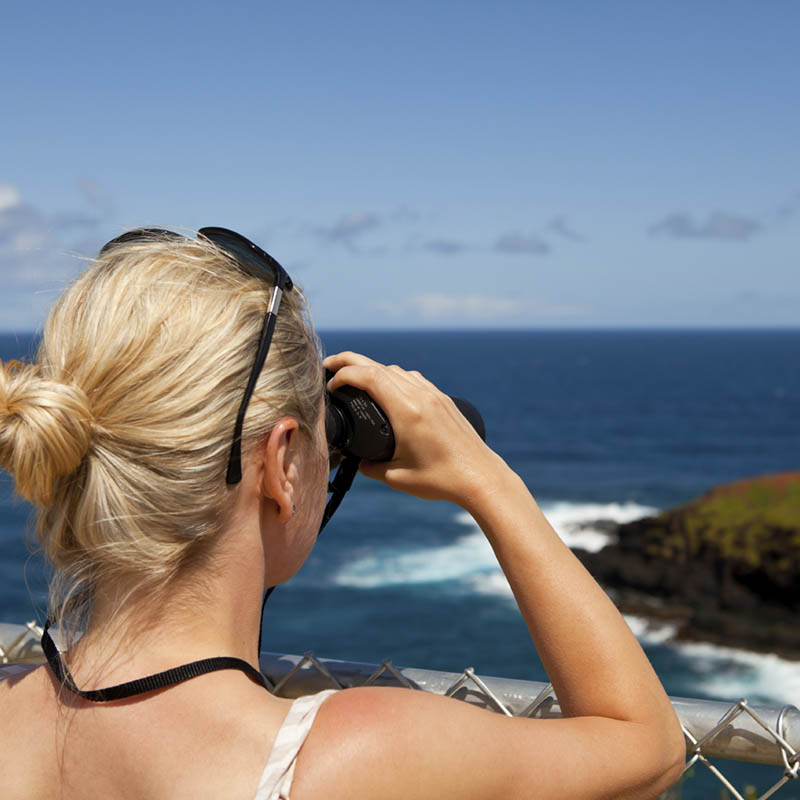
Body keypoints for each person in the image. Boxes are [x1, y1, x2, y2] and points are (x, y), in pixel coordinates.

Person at [0, 227, 685, 799]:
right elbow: (646, 748)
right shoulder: (352, 759)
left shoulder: (10, 717)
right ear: (279, 463)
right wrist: (487, 480)